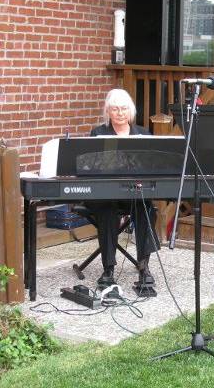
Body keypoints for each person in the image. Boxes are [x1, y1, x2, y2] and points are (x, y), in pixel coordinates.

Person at [87, 89, 160, 290]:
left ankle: (144, 266)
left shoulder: (143, 134)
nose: (120, 113)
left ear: (131, 111)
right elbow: (92, 166)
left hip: (133, 192)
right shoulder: (98, 133)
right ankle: (108, 268)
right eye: (115, 109)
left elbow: (151, 165)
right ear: (108, 112)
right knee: (107, 210)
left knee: (146, 208)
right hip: (106, 193)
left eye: (124, 108)